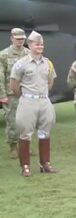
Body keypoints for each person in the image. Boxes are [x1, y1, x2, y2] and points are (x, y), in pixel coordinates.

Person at [9, 31, 57, 176]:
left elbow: (50, 81)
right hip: (28, 101)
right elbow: (13, 85)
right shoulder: (21, 64)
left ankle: (45, 164)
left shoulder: (47, 63)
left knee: (45, 132)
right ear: (29, 45)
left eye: (41, 44)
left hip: (43, 100)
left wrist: (42, 95)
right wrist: (24, 96)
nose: (40, 47)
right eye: (37, 44)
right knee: (25, 134)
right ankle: (25, 166)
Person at [0, 28, 30, 158]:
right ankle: (13, 146)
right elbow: (0, 76)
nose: (20, 41)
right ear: (11, 38)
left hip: (27, 93)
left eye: (22, 39)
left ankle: (24, 146)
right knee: (12, 121)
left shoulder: (29, 54)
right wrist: (2, 95)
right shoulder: (4, 55)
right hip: (11, 94)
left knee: (27, 121)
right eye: (17, 39)